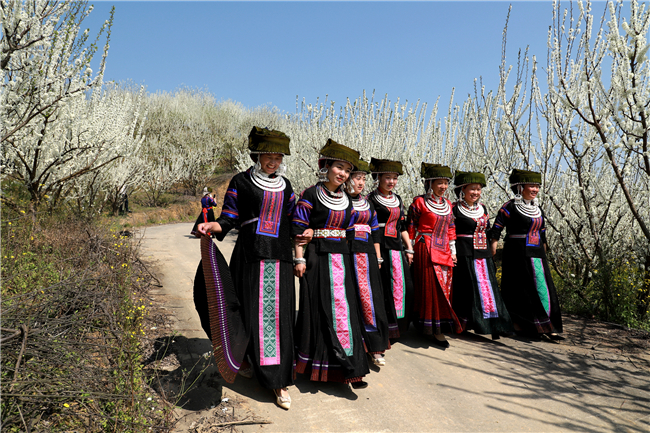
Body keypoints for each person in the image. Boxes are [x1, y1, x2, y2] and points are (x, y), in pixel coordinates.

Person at [195, 126, 311, 410]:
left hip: (280, 257)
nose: (274, 161)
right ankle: (246, 358)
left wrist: (305, 232)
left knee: (279, 316)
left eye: (278, 157)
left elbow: (295, 218)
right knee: (251, 313)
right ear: (257, 156)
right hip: (250, 255)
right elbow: (231, 216)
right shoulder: (241, 181)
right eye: (268, 156)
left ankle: (278, 380)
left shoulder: (287, 187)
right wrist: (215, 225)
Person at [292, 139, 370, 389]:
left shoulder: (347, 199)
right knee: (319, 311)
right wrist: (299, 257)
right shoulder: (310, 193)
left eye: (347, 170)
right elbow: (298, 229)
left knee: (344, 311)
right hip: (316, 258)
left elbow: (348, 233)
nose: (343, 174)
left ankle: (351, 369)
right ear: (326, 166)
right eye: (339, 167)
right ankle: (318, 366)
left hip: (342, 261)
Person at [489, 169, 563, 341]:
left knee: (543, 289)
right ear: (520, 187)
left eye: (537, 186)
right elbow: (497, 228)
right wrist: (492, 247)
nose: (535, 189)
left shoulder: (538, 209)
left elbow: (542, 232)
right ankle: (520, 324)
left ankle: (547, 325)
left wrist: (543, 252)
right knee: (519, 289)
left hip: (537, 254)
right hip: (516, 253)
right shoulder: (510, 207)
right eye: (531, 186)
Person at [450, 170, 513, 339]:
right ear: (463, 189)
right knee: (468, 289)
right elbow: (450, 232)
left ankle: (495, 324)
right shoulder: (454, 209)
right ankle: (465, 323)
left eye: (478, 189)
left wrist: (493, 244)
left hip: (483, 253)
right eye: (472, 189)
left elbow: (489, 229)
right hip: (464, 254)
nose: (476, 193)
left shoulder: (482, 208)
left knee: (489, 288)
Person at [406, 163, 462, 348]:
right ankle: (428, 326)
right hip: (425, 247)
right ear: (430, 183)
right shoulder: (419, 202)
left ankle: (441, 325)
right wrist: (410, 249)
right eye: (439, 182)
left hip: (444, 249)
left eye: (446, 183)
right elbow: (411, 226)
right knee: (429, 286)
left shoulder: (448, 205)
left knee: (444, 287)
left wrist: (453, 251)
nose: (443, 187)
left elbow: (451, 227)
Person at [346, 160, 391, 367]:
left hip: (367, 256)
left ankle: (375, 347)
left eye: (363, 179)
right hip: (346, 254)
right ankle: (355, 347)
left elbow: (375, 232)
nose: (361, 183)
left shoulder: (367, 203)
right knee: (350, 300)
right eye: (357, 178)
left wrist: (378, 256)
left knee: (370, 299)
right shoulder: (339, 201)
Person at [368, 158, 415, 339]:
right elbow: (372, 228)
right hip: (380, 248)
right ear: (378, 178)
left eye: (395, 178)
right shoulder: (371, 199)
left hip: (397, 249)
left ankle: (399, 327)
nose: (391, 182)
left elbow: (402, 226)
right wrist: (377, 254)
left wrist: (409, 248)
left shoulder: (397, 199)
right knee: (383, 288)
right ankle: (384, 328)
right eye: (387, 177)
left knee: (404, 287)